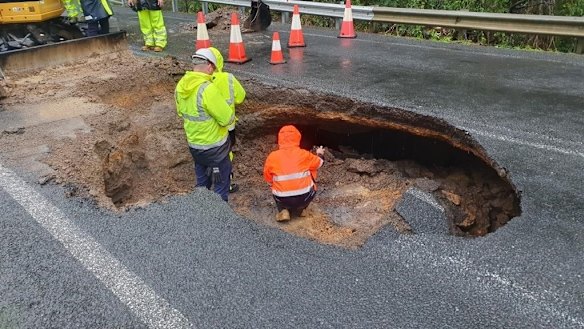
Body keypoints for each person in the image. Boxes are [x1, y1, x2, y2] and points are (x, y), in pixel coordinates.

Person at [175, 48, 235, 202]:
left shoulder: (181, 86)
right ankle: (220, 217)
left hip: (195, 147)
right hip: (216, 148)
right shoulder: (208, 89)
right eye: (213, 69)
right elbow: (227, 118)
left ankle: (201, 213)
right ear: (209, 66)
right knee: (221, 185)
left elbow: (181, 113)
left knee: (202, 184)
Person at [263, 125, 325, 221]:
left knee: (274, 184)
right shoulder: (304, 154)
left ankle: (283, 210)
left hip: (282, 198)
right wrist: (320, 153)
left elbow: (267, 177)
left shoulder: (272, 156)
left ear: (279, 139)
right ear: (298, 138)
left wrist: (276, 185)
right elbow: (319, 163)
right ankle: (301, 209)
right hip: (304, 197)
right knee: (312, 168)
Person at [208, 47, 246, 193]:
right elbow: (241, 97)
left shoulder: (200, 82)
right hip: (227, 125)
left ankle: (208, 181)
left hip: (206, 127)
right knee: (225, 153)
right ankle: (225, 183)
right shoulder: (228, 78)